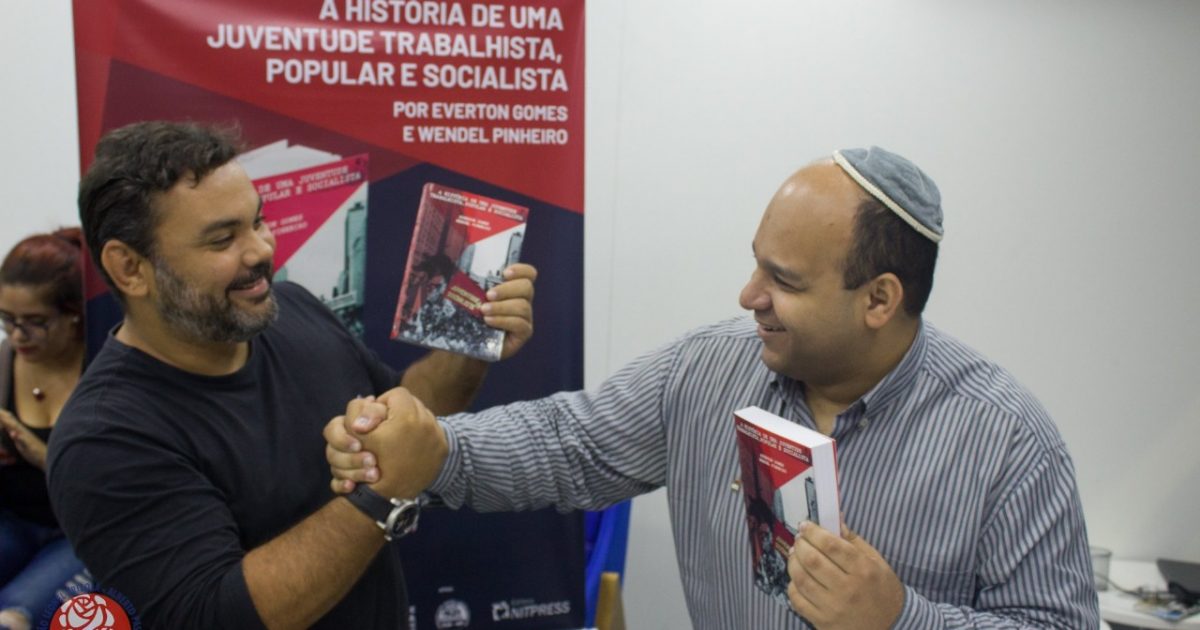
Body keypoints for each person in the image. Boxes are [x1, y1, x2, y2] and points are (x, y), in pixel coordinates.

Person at [326, 147, 1100, 629]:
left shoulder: (1007, 441)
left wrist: (900, 621)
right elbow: (566, 445)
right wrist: (432, 449)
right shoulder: (708, 370)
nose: (748, 295)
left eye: (784, 281)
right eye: (756, 261)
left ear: (879, 300)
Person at [46, 120, 536, 630]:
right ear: (129, 268)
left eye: (257, 221)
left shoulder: (294, 308)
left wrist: (471, 342)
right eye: (222, 239)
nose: (261, 250)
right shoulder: (104, 439)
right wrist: (382, 497)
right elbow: (216, 615)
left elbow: (409, 415)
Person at [0, 229, 92, 630]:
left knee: (14, 616)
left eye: (36, 323)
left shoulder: (106, 370)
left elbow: (124, 489)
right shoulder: (5, 363)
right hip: (16, 518)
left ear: (73, 313)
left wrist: (43, 458)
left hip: (83, 532)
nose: (18, 336)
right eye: (7, 320)